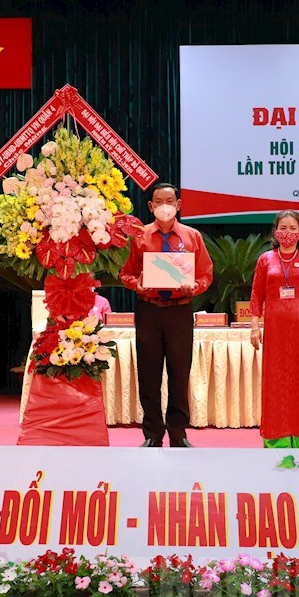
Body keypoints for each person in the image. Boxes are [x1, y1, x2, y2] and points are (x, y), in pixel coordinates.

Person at [120, 182, 214, 448]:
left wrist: (195, 287)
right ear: (151, 206)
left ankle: (178, 433)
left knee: (179, 373)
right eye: (159, 202)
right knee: (148, 374)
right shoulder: (140, 237)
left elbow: (206, 273)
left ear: (178, 205)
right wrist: (136, 284)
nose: (165, 207)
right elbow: (126, 273)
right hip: (148, 310)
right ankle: (152, 434)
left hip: (180, 310)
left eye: (169, 201)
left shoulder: (192, 237)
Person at [248, 210, 299, 448]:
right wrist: (254, 327)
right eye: (283, 228)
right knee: (276, 385)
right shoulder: (266, 260)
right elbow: (256, 295)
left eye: (293, 228)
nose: (288, 233)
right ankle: (277, 441)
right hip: (275, 333)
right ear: (275, 232)